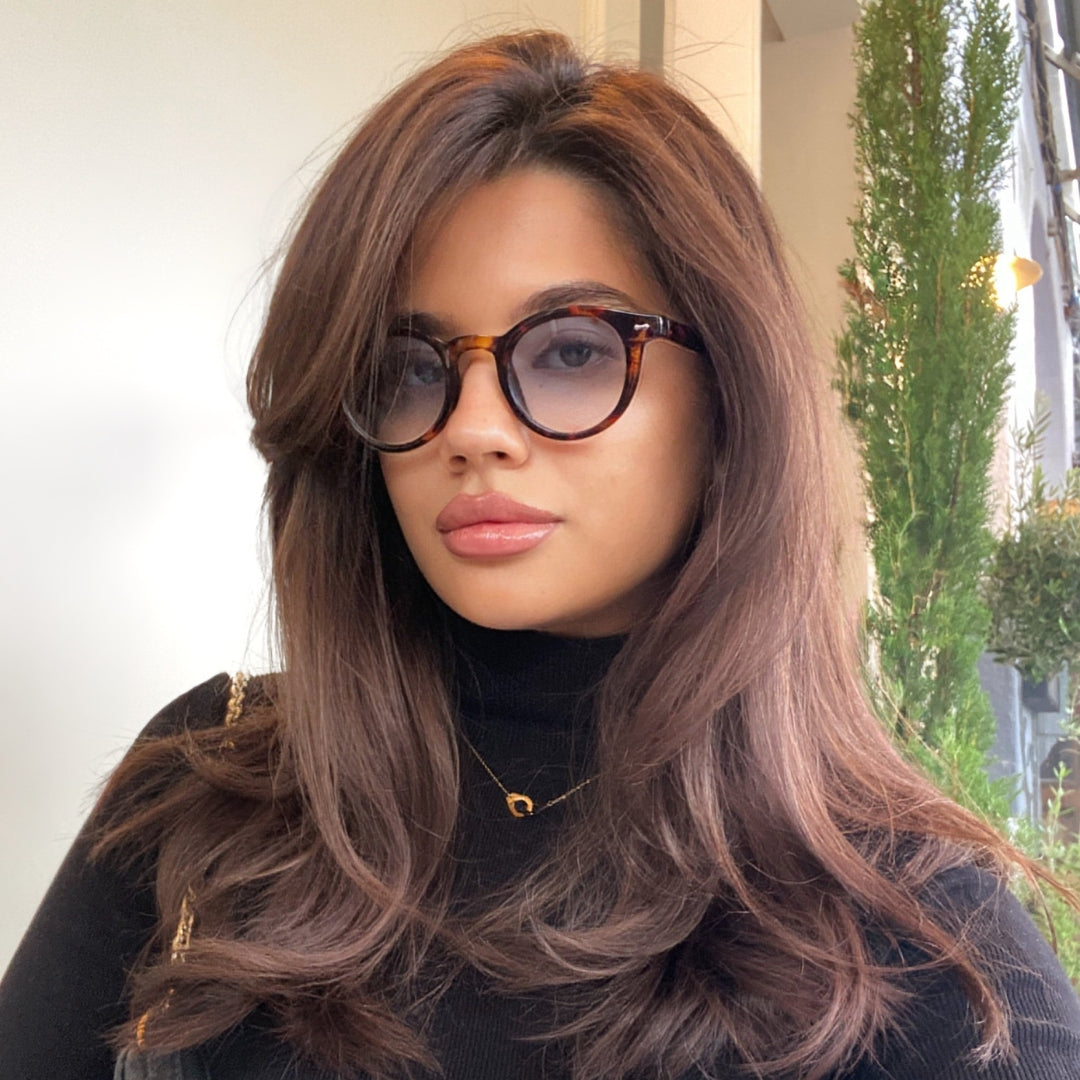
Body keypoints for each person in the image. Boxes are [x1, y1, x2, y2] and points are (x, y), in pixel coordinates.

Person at [1, 28, 1079, 1080]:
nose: (472, 427)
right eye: (409, 368)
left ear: (729, 399)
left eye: (570, 350)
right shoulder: (214, 788)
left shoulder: (922, 944)